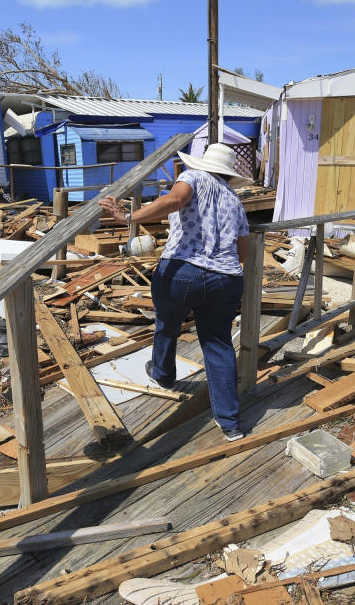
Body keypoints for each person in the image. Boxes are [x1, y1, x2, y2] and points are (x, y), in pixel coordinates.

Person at [100, 143, 252, 441]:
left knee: (167, 325)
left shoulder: (194, 177)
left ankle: (163, 375)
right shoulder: (235, 201)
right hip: (227, 278)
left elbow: (174, 200)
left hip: (182, 272)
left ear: (202, 163)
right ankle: (230, 423)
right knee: (218, 344)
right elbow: (242, 250)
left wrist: (127, 217)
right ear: (228, 173)